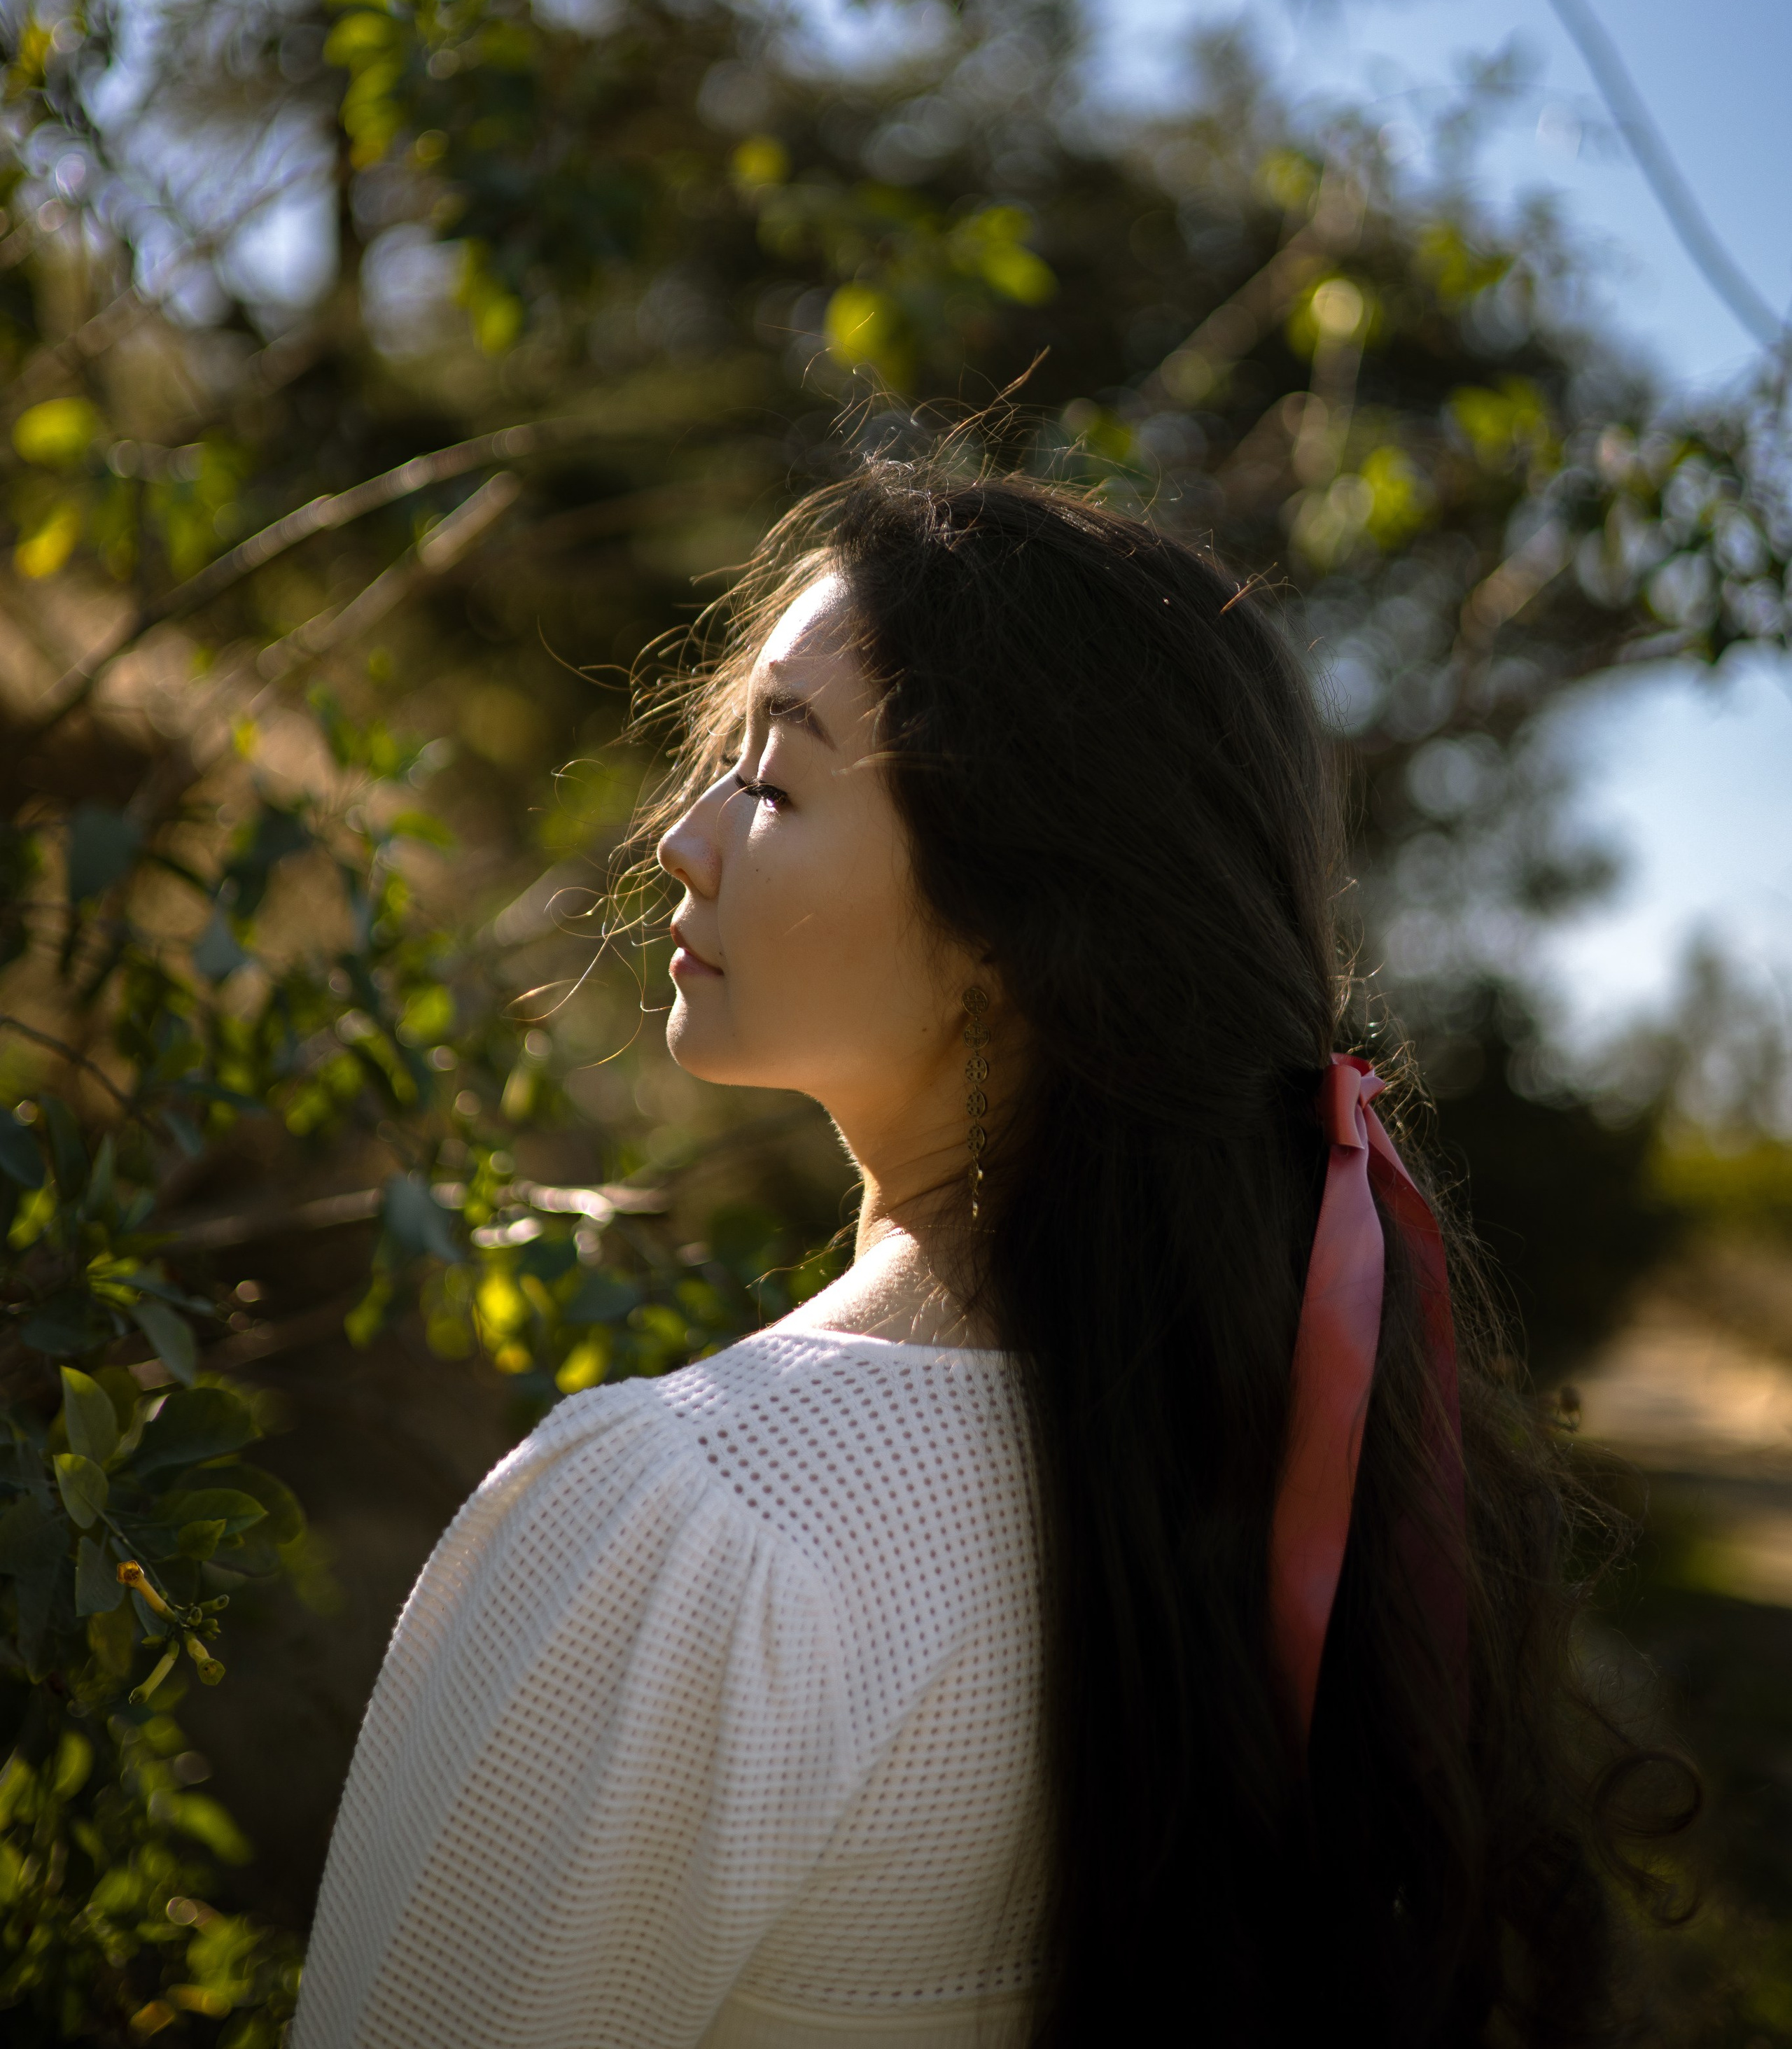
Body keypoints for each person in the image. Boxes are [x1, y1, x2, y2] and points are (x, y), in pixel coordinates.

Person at [294, 461, 1692, 2049]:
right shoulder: (1238, 1468)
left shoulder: (693, 1519)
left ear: (1011, 933)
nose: (681, 838)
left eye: (774, 785)